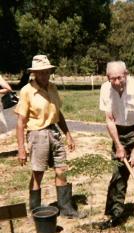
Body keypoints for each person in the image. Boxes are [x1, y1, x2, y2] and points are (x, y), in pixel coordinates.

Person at [15, 55, 83, 218]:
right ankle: (35, 210)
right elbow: (20, 123)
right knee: (38, 173)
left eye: (46, 72)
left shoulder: (52, 87)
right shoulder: (27, 91)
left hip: (54, 133)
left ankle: (65, 207)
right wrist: (21, 149)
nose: (44, 75)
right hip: (38, 135)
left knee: (61, 170)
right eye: (40, 73)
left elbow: (58, 113)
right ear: (34, 74)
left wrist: (68, 135)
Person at [98, 61, 134, 233]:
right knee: (118, 174)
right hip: (119, 132)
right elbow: (109, 119)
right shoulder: (105, 89)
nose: (116, 82)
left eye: (119, 78)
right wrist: (118, 145)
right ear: (107, 77)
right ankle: (115, 214)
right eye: (112, 79)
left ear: (126, 74)